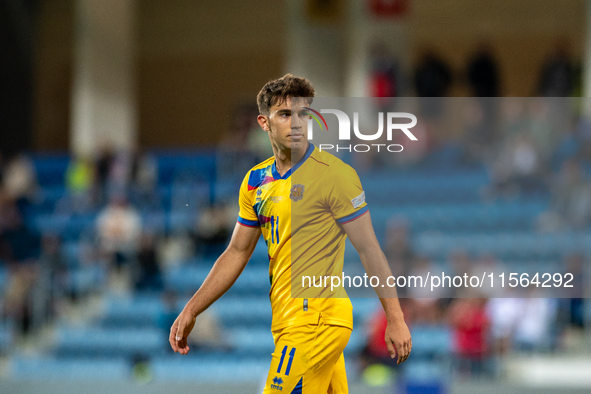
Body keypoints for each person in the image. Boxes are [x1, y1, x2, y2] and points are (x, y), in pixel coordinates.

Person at [169, 74, 412, 393]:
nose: (296, 123)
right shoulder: (255, 182)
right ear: (264, 123)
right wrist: (191, 308)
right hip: (287, 321)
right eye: (285, 114)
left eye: (303, 114)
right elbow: (237, 252)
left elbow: (369, 249)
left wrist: (394, 318)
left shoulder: (335, 175)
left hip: (317, 321)